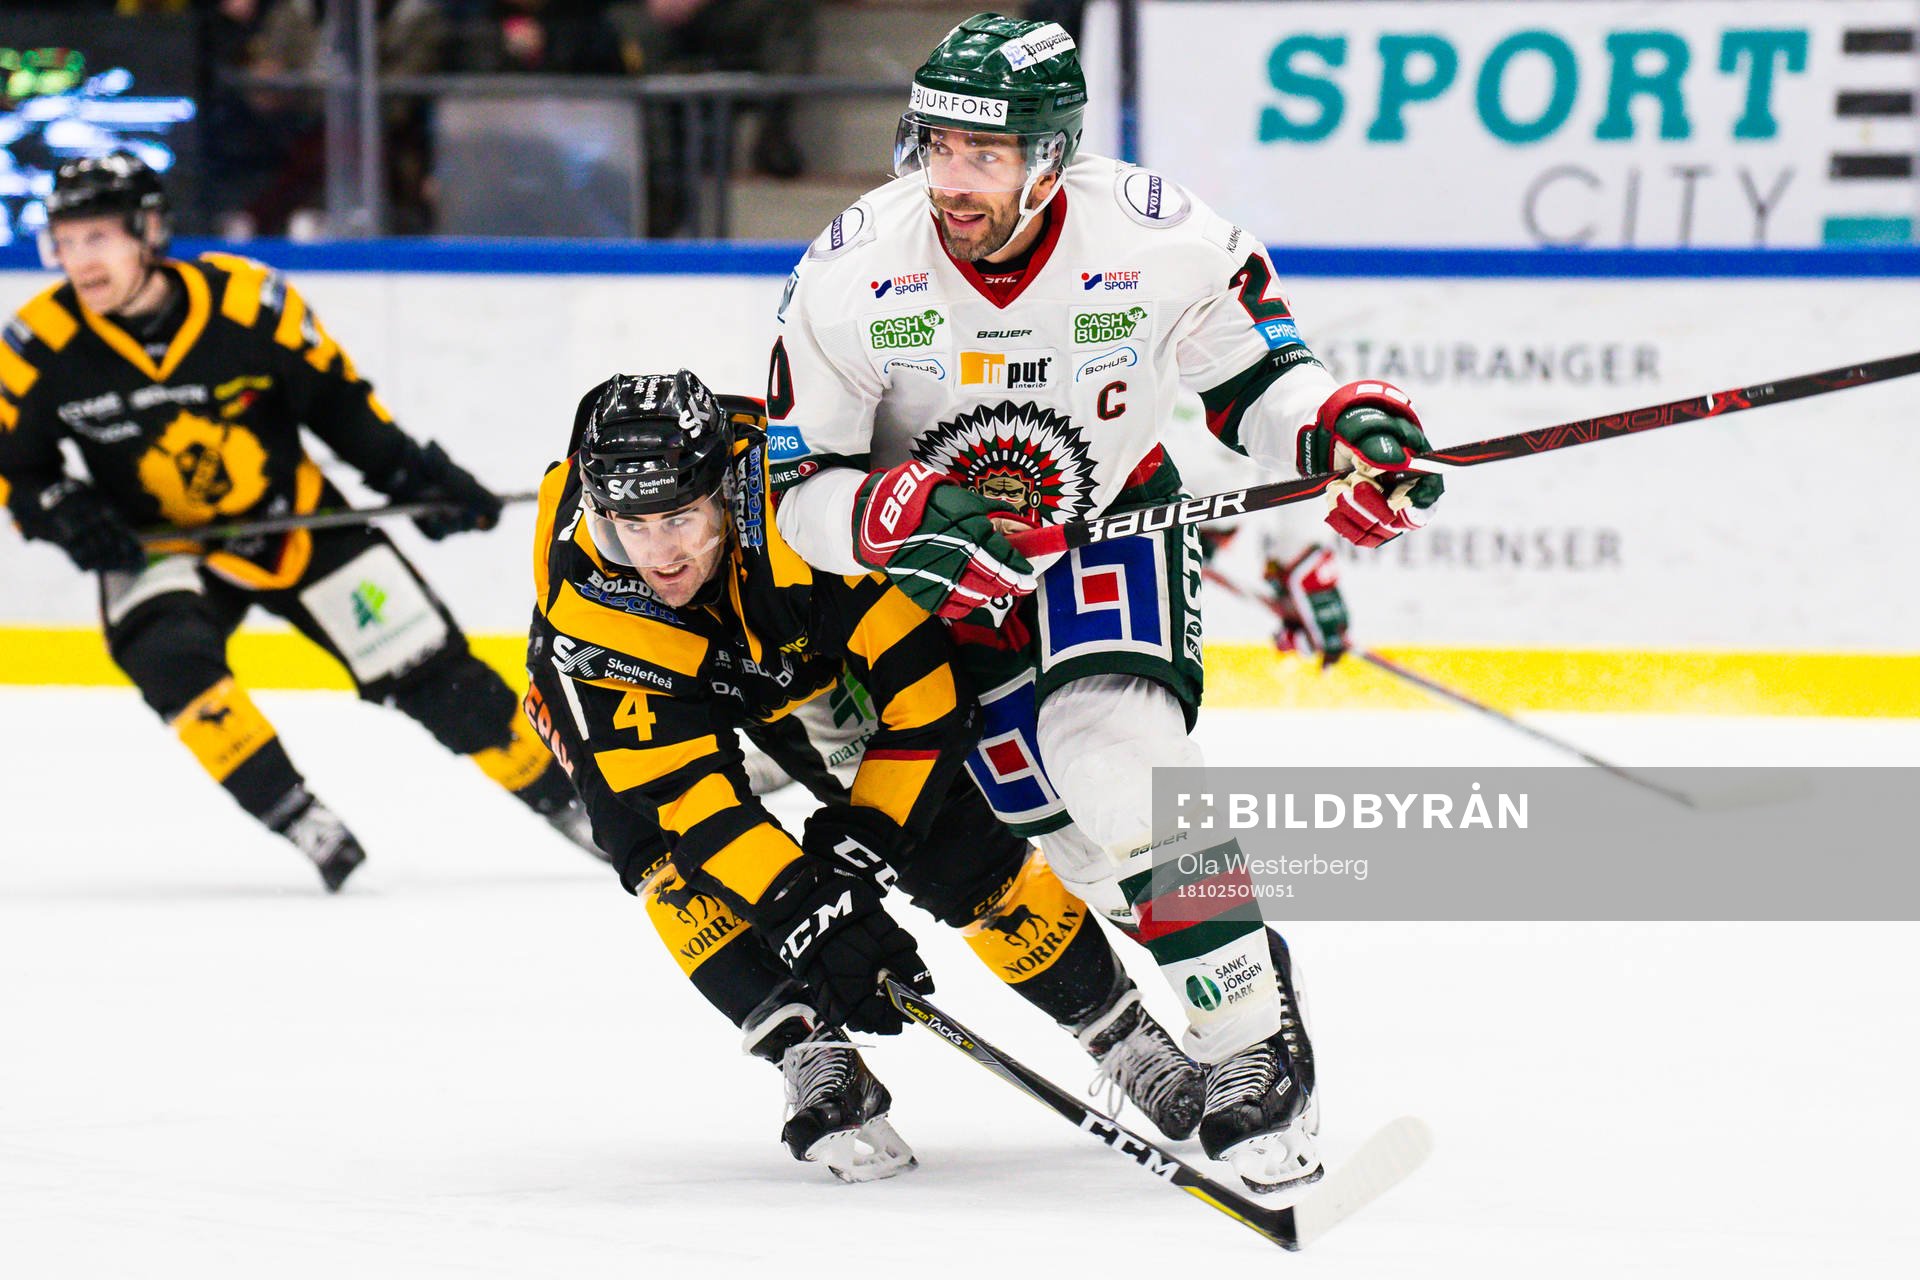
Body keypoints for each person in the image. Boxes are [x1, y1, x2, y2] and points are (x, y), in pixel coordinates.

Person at [765, 14, 1445, 1192]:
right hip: (939, 587)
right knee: (1070, 844)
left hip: (1106, 537)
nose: (952, 179)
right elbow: (799, 486)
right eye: (937, 146)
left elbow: (1262, 379)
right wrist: (880, 518)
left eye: (986, 154)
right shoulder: (847, 269)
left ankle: (1254, 1049)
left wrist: (1339, 427)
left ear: (1052, 154)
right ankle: (1231, 949)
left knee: (1117, 763)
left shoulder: (1160, 237)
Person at [521, 369, 1205, 1179]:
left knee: (954, 846)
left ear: (723, 490)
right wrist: (805, 906)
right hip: (654, 682)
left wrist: (867, 846)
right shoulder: (591, 599)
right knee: (657, 855)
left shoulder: (800, 514)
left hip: (799, 658)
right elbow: (688, 794)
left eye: (680, 517)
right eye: (633, 525)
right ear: (601, 514)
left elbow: (924, 699)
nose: (661, 554)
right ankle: (805, 1050)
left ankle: (1118, 1028)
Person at [0, 151, 597, 890]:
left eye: (98, 238)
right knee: (170, 657)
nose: (78, 260)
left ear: (148, 230)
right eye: (65, 241)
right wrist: (63, 512)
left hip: (297, 523)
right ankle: (296, 814)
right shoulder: (36, 346)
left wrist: (413, 474)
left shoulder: (250, 303)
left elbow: (341, 406)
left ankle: (573, 803)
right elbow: (16, 467)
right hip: (161, 543)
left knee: (431, 669)